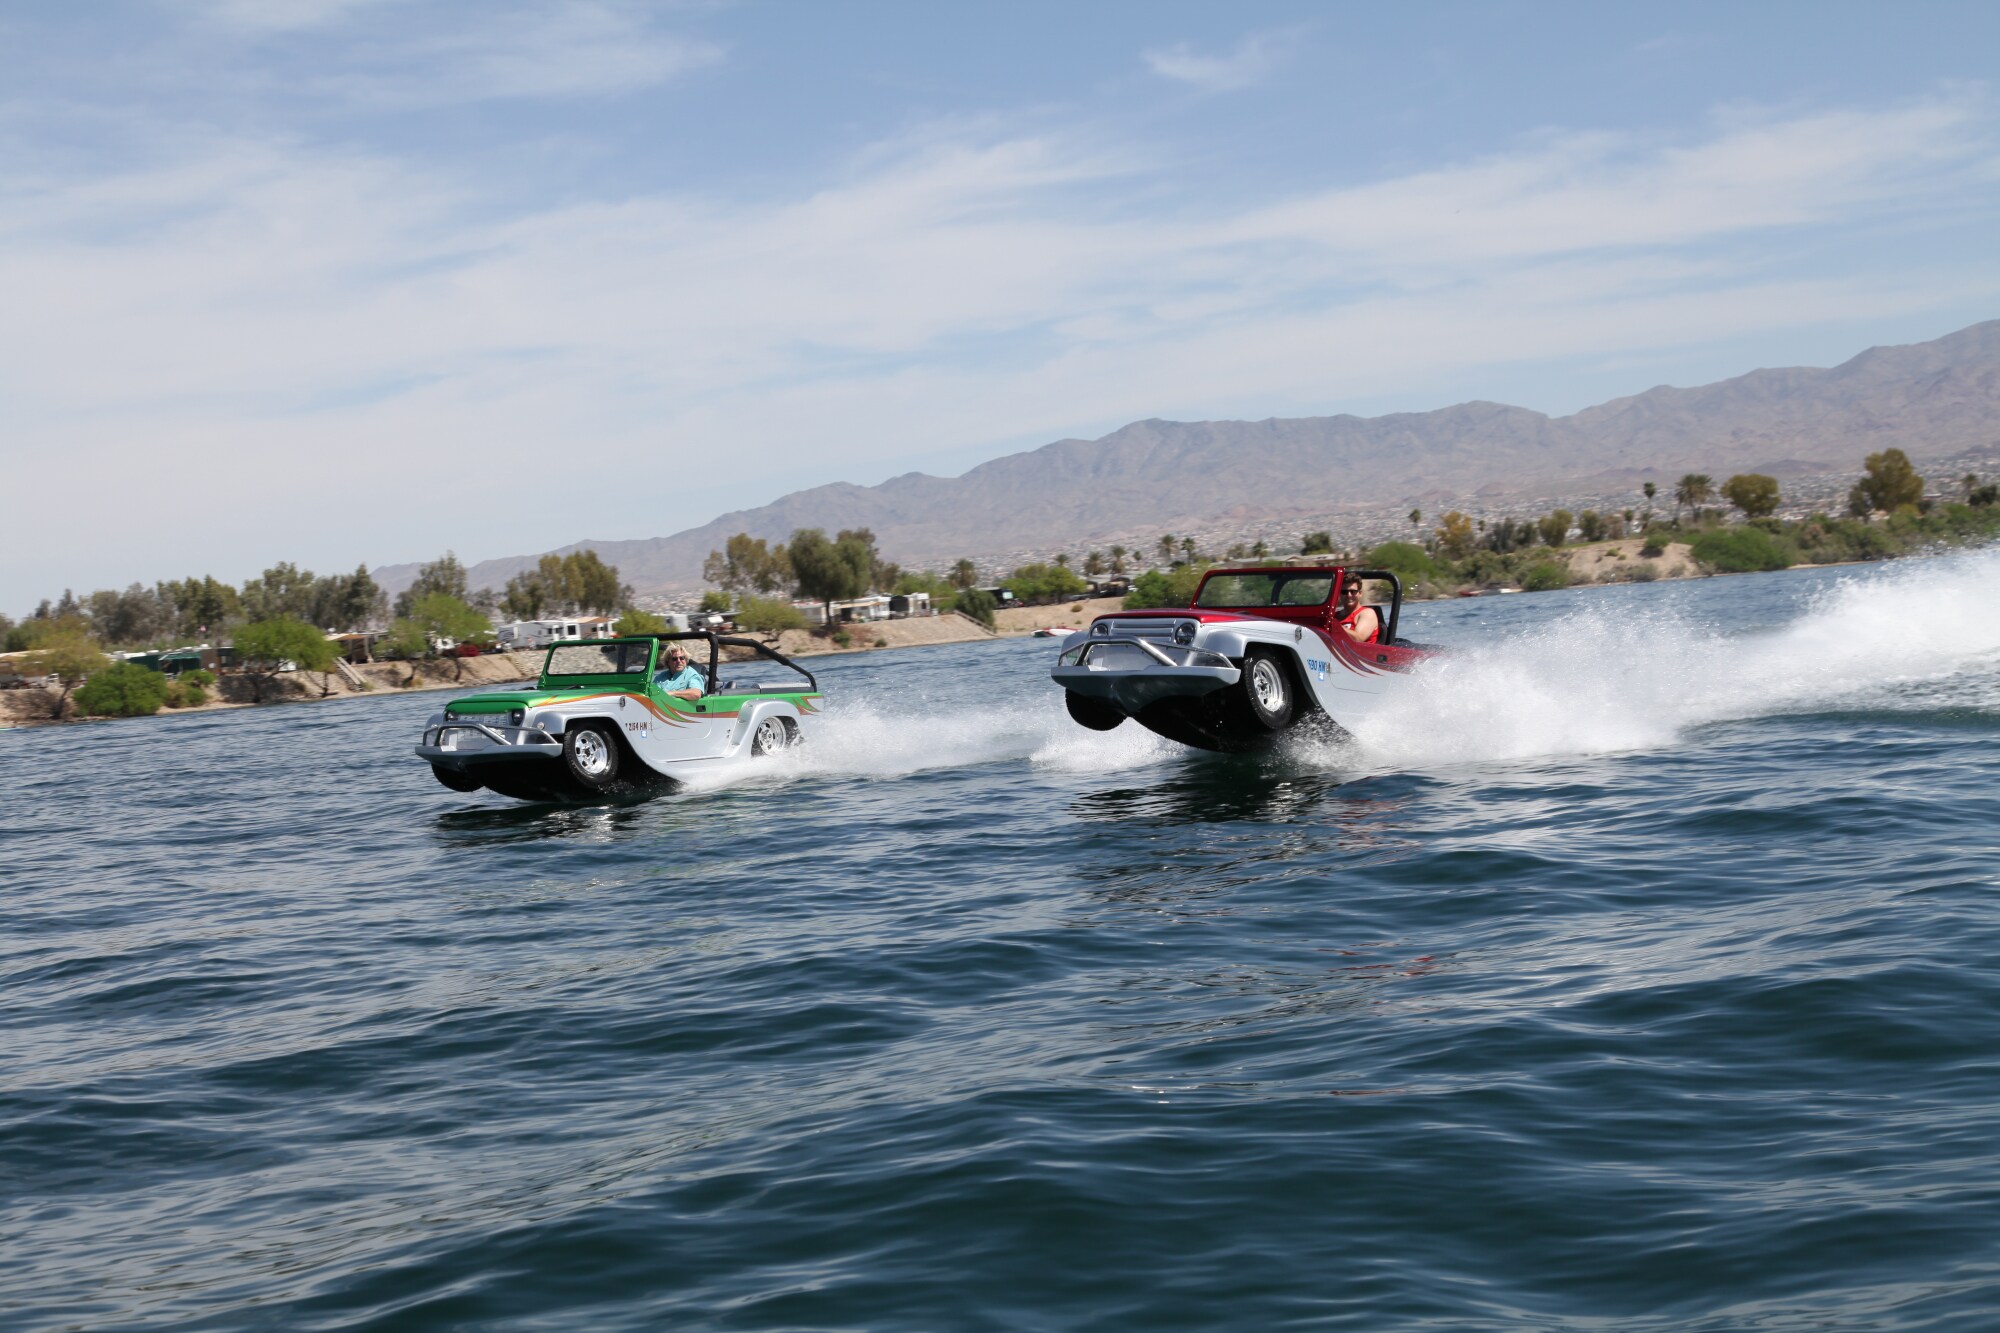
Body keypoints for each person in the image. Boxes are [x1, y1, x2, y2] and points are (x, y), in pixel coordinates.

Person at [1334, 575, 1380, 644]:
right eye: (1344, 592)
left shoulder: (1367, 613)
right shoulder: (1334, 616)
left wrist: (1335, 625)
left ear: (1360, 594)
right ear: (1340, 594)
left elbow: (1359, 638)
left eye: (1353, 592)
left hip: (1361, 653)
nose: (1349, 595)